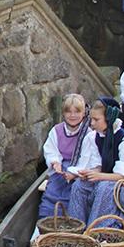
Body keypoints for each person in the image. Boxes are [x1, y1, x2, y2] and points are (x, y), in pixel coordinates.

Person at [70, 97, 124, 227]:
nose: (92, 124)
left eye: (96, 120)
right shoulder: (96, 137)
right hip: (103, 178)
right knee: (79, 185)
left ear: (109, 118)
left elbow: (123, 175)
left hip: (119, 183)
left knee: (104, 187)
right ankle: (76, 227)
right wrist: (89, 173)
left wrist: (99, 176)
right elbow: (99, 166)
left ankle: (95, 229)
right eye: (91, 119)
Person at [37, 94, 88, 225]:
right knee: (52, 193)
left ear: (84, 113)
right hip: (61, 169)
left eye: (77, 111)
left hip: (80, 170)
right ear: (64, 113)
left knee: (72, 195)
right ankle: (46, 224)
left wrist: (75, 172)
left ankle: (69, 224)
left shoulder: (88, 132)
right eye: (68, 112)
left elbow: (89, 156)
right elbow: (50, 150)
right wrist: (55, 162)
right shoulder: (57, 130)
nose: (72, 115)